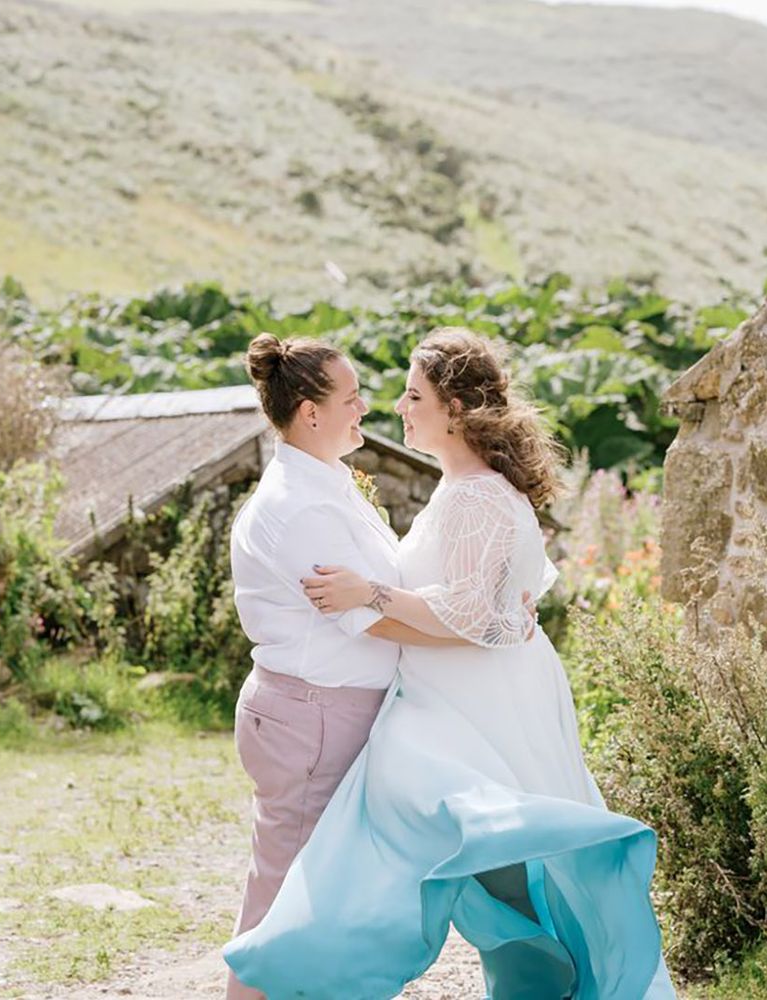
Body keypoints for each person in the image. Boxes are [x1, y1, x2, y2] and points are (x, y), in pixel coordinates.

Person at [224, 329, 677, 999]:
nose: (387, 409)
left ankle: (564, 978)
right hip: (420, 704)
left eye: (411, 395)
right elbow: (470, 612)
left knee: (497, 859)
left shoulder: (470, 495)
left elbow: (469, 615)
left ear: (457, 408)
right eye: (362, 397)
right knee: (372, 872)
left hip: (468, 707)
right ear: (311, 412)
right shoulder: (442, 490)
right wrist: (490, 621)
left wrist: (388, 594)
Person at [225, 334, 476, 1000]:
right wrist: (477, 634)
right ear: (310, 412)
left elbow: (381, 587)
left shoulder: (328, 485)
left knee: (324, 889)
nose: (369, 405)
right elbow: (373, 619)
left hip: (328, 711)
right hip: (311, 716)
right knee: (285, 895)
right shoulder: (301, 506)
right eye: (352, 396)